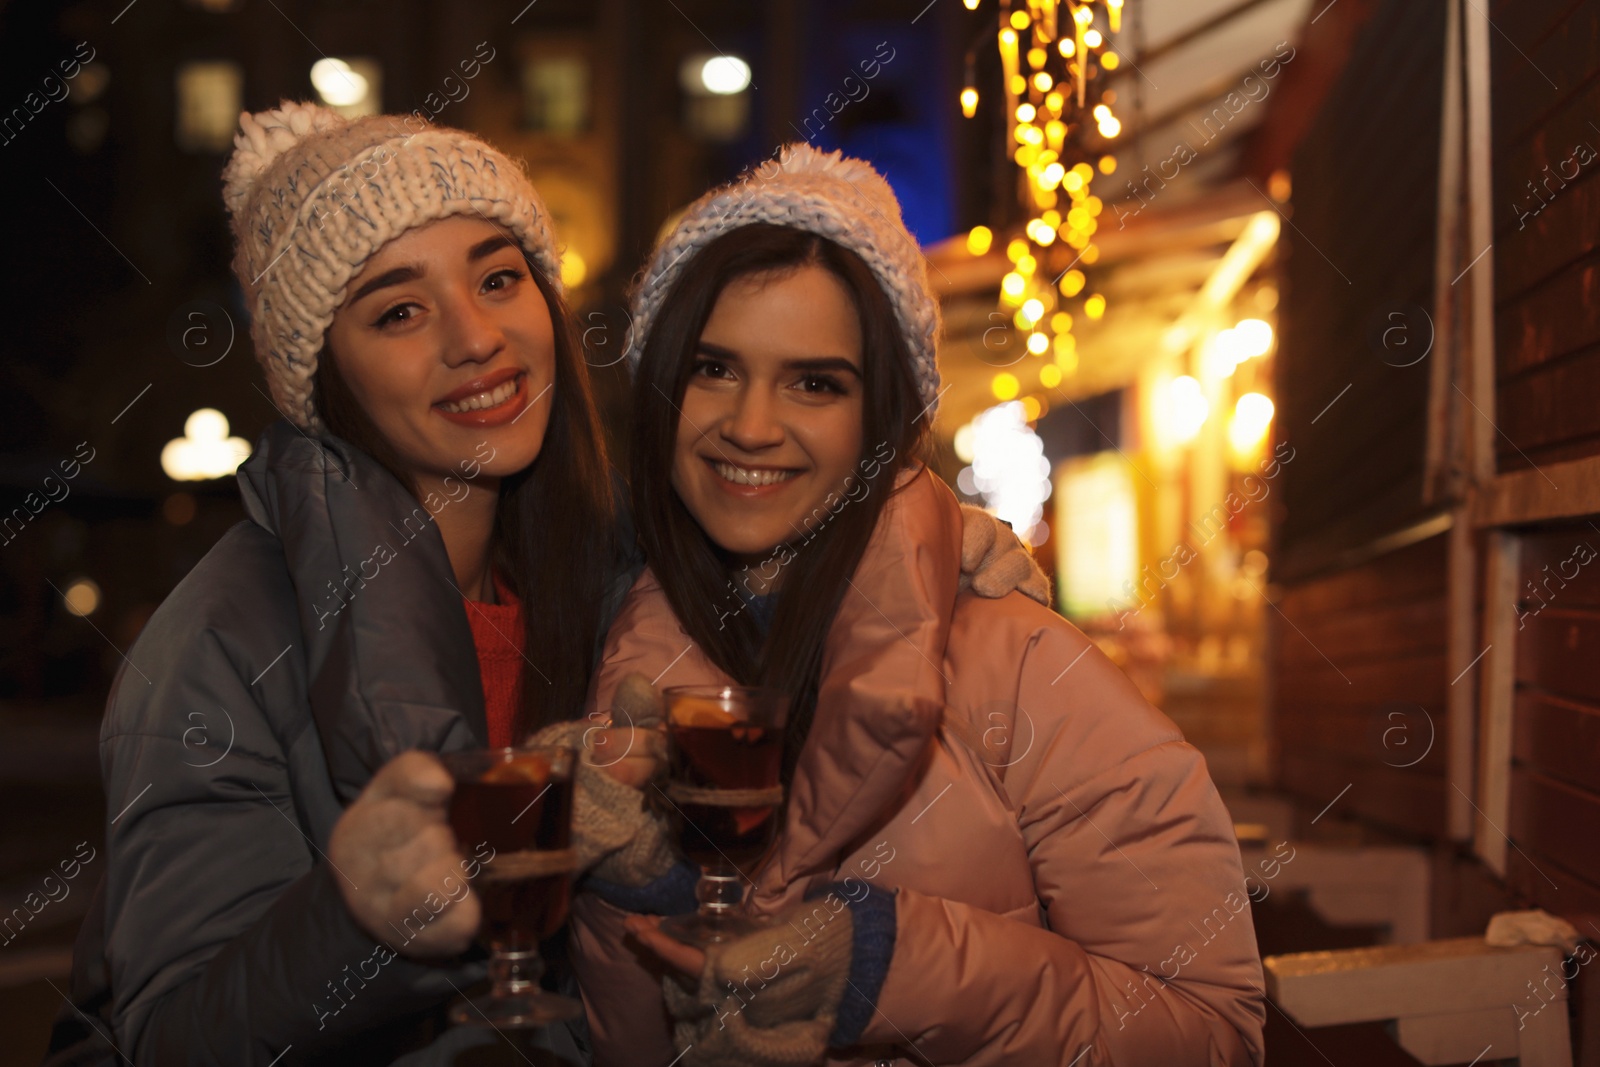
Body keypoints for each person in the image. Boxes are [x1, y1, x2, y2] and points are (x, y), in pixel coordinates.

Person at [45, 106, 1042, 1067]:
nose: (474, 337)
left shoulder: (617, 576)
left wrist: (913, 539)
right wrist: (358, 916)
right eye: (398, 310)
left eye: (498, 277)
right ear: (322, 370)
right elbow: (173, 1033)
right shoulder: (223, 637)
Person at [568, 144, 1268, 1067]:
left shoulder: (1018, 664)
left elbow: (1213, 1036)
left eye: (815, 382)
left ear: (884, 418)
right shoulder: (620, 668)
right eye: (714, 368)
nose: (749, 424)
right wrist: (647, 888)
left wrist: (888, 970)